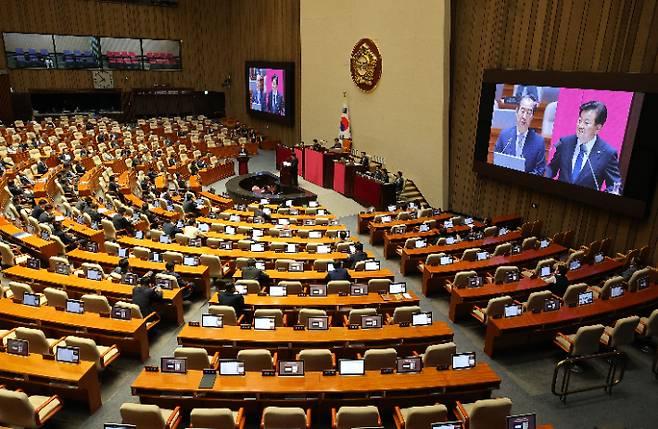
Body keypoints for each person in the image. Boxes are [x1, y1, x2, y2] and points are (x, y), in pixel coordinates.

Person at [546, 101, 622, 192]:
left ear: (598, 128)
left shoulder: (607, 153)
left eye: (586, 123)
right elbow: (551, 169)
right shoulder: (565, 143)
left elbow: (615, 186)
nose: (580, 126)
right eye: (579, 120)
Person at [493, 94, 546, 176]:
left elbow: (540, 170)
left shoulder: (539, 142)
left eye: (529, 113)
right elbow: (496, 160)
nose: (524, 116)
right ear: (517, 112)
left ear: (532, 117)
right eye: (522, 111)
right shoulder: (504, 135)